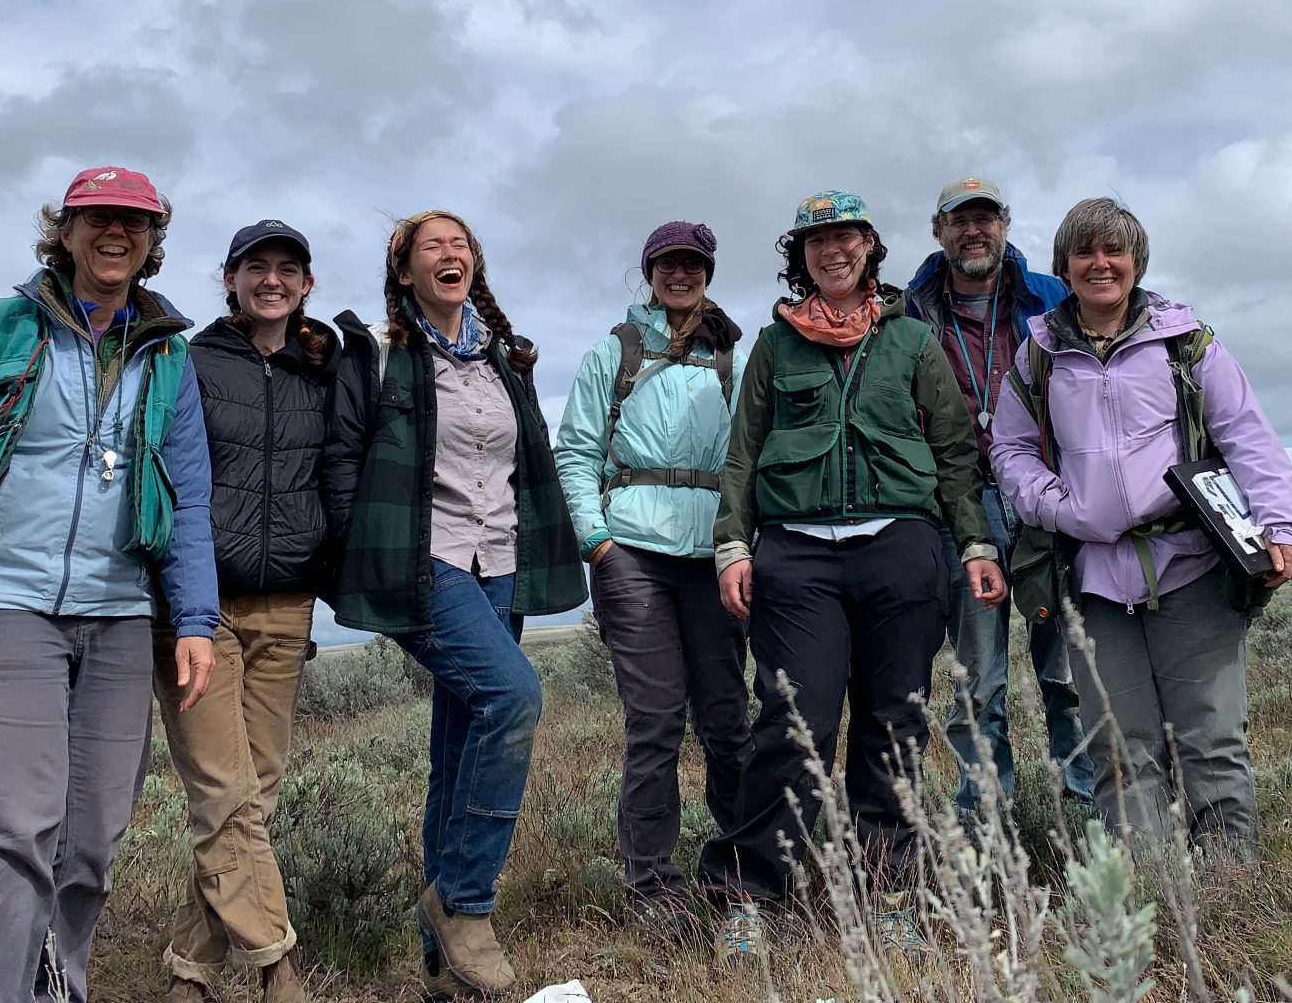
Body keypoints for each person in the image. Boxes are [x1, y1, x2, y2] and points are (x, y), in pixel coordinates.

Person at [0, 166, 219, 1003]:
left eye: (134, 223)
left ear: (151, 240)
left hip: (118, 612)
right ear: (63, 231)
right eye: (97, 217)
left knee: (92, 838)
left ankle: (55, 989)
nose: (116, 233)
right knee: (14, 832)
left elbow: (190, 495)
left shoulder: (167, 356)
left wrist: (197, 616)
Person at [696, 190, 1007, 962]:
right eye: (815, 242)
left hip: (900, 546)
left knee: (894, 721)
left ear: (869, 246)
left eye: (845, 237)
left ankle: (890, 890)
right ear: (799, 257)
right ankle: (751, 895)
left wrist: (974, 543)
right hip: (796, 554)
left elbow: (955, 453)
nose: (831, 251)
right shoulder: (775, 345)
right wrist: (733, 545)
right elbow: (742, 453)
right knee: (794, 723)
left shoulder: (911, 340)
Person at [323, 209, 586, 997]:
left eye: (460, 244)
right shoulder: (374, 349)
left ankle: (438, 966)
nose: (450, 254)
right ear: (405, 272)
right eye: (430, 246)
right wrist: (352, 553)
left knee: (458, 742)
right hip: (420, 557)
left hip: (500, 554)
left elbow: (524, 461)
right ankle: (465, 903)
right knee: (512, 696)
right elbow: (342, 459)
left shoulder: (505, 354)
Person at [992, 197, 1292, 851]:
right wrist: (1060, 507)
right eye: (1085, 252)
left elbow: (1246, 435)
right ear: (1065, 265)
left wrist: (1282, 523)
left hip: (1191, 564)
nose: (1100, 264)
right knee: (1117, 743)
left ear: (1137, 262)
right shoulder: (1039, 354)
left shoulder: (1186, 344)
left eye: (1115, 251)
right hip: (1096, 581)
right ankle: (1148, 897)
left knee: (1211, 738)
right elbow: (1011, 450)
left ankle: (1228, 899)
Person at [553, 221, 752, 928]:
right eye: (668, 263)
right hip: (632, 552)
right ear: (650, 271)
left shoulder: (731, 352)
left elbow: (746, 458)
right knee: (657, 722)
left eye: (693, 263)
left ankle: (741, 876)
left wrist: (740, 545)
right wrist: (598, 542)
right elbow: (574, 450)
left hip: (712, 556)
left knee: (728, 721)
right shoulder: (617, 349)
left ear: (708, 270)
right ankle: (651, 887)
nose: (681, 274)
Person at [159, 221, 338, 1003]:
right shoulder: (189, 363)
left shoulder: (322, 371)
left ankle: (191, 972)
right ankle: (278, 967)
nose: (272, 280)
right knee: (225, 794)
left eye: (287, 269)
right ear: (228, 280)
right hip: (200, 611)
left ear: (307, 285)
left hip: (287, 605)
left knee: (251, 798)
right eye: (255, 268)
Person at [902, 176, 1093, 821]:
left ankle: (1090, 812)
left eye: (985, 219)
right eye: (959, 221)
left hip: (1046, 497)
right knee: (979, 680)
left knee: (1068, 669)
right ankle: (986, 824)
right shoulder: (911, 311)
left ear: (1005, 227)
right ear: (939, 232)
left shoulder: (1051, 298)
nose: (973, 231)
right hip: (962, 502)